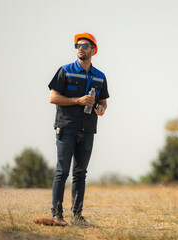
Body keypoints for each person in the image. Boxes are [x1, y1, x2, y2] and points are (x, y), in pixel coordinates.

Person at [48, 32, 109, 226]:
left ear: (93, 50)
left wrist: (101, 109)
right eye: (77, 46)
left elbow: (103, 103)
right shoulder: (65, 71)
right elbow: (53, 98)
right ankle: (57, 214)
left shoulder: (100, 76)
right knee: (62, 172)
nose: (80, 48)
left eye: (84, 45)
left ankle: (77, 215)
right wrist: (78, 100)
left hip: (88, 130)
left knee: (80, 174)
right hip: (66, 128)